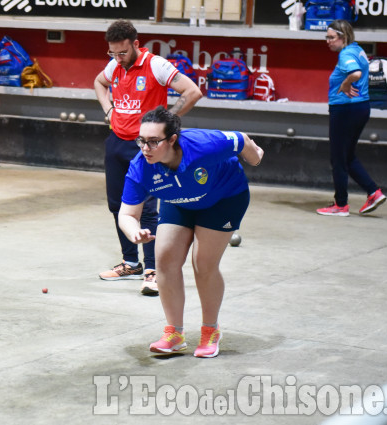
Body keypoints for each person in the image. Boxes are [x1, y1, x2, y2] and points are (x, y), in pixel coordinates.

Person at [118, 106, 263, 358]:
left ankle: (210, 331)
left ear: (172, 139)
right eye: (141, 140)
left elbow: (241, 139)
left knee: (203, 263)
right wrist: (134, 232)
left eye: (153, 142)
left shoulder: (202, 145)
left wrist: (255, 158)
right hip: (180, 200)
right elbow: (127, 214)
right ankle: (174, 333)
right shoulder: (141, 167)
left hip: (224, 198)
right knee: (164, 258)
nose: (145, 148)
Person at [94, 19, 202, 295]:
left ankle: (153, 269)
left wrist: (165, 122)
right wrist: (108, 111)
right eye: (113, 53)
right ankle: (131, 262)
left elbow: (192, 91)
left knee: (148, 210)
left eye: (123, 52)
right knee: (117, 205)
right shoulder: (114, 66)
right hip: (116, 142)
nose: (118, 58)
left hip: (144, 147)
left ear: (136, 45)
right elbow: (99, 82)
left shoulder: (156, 65)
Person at [316, 20, 386, 217]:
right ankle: (373, 192)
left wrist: (346, 83)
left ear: (343, 37)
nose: (328, 41)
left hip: (346, 110)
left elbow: (355, 73)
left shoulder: (346, 54)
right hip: (360, 108)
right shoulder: (357, 50)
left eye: (331, 37)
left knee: (338, 158)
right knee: (347, 156)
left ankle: (340, 205)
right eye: (326, 37)